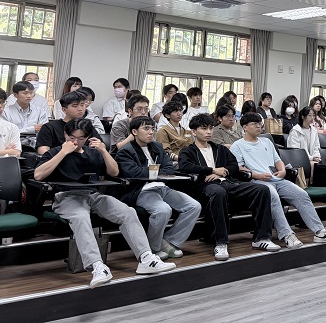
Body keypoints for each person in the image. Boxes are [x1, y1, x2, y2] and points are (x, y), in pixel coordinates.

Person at [34, 118, 175, 287]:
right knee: (80, 217)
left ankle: (146, 258)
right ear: (65, 134)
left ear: (87, 138)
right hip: (66, 197)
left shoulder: (92, 152)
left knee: (127, 212)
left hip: (93, 195)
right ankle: (97, 267)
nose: (76, 142)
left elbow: (114, 172)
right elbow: (38, 175)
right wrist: (63, 152)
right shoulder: (55, 152)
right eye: (72, 137)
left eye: (81, 138)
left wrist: (103, 151)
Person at [177, 113, 281, 261]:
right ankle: (220, 242)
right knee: (218, 192)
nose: (208, 132)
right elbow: (185, 166)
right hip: (204, 186)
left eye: (211, 128)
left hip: (227, 183)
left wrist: (222, 171)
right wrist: (212, 170)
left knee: (262, 189)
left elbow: (233, 164)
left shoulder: (219, 148)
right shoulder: (188, 151)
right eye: (204, 128)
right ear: (194, 132)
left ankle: (261, 238)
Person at [231, 113, 326, 245]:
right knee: (273, 197)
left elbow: (278, 161)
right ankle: (287, 235)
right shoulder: (237, 145)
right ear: (245, 127)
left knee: (302, 194)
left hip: (276, 179)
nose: (258, 126)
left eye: (259, 123)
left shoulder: (266, 142)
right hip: (258, 182)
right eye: (254, 124)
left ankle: (320, 232)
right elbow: (238, 168)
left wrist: (282, 171)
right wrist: (256, 175)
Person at [116, 116, 202, 258]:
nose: (151, 132)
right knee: (163, 210)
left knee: (194, 206)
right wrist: (156, 172)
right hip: (141, 190)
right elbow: (134, 173)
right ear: (135, 131)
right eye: (146, 128)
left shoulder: (157, 146)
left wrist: (153, 173)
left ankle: (169, 241)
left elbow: (169, 168)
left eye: (153, 128)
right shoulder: (126, 151)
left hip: (162, 186)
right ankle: (153, 248)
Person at [287, 106, 321, 174]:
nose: (312, 118)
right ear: (302, 117)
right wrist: (311, 158)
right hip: (299, 159)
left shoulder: (314, 131)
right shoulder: (295, 131)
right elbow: (295, 151)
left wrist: (316, 156)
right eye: (309, 115)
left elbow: (317, 147)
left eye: (313, 115)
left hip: (312, 159)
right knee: (313, 165)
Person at [0, 90, 22, 158]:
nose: (0, 106)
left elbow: (16, 152)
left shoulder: (12, 127)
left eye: (2, 102)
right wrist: (5, 151)